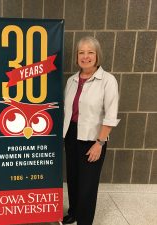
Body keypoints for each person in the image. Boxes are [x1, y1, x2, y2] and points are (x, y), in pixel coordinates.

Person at [63, 36, 120, 225]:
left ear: (97, 56)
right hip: (71, 135)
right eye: (81, 52)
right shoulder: (71, 80)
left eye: (90, 52)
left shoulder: (108, 81)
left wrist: (100, 143)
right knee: (73, 178)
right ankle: (73, 212)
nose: (85, 56)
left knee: (87, 184)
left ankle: (84, 221)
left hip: (94, 138)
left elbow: (111, 116)